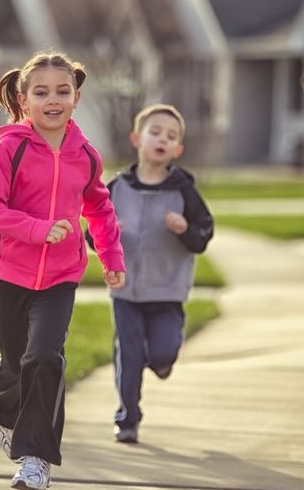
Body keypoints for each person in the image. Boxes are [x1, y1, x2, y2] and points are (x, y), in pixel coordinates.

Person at [0, 51, 125, 490]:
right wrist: (37, 230)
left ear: (76, 97)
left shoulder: (86, 155)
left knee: (43, 357)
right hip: (11, 272)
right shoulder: (11, 148)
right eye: (41, 92)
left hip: (61, 276)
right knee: (14, 360)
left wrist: (111, 258)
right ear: (24, 101)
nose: (53, 99)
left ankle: (35, 457)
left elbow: (98, 206)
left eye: (62, 91)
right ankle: (7, 414)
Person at [88, 103, 213, 444]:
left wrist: (186, 228)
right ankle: (127, 419)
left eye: (171, 136)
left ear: (178, 149)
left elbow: (203, 234)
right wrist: (108, 232)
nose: (162, 139)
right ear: (136, 139)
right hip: (125, 290)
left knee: (162, 354)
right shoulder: (116, 188)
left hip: (167, 291)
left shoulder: (183, 190)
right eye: (155, 132)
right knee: (127, 356)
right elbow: (92, 233)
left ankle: (160, 362)